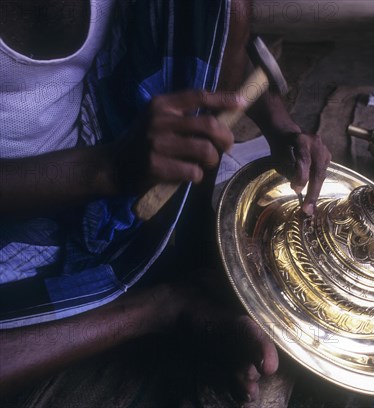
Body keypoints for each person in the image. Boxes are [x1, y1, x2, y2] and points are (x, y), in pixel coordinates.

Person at [0, 0, 331, 403]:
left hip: (111, 142)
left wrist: (280, 127)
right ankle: (159, 308)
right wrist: (107, 168)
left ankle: (173, 257)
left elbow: (210, 36)